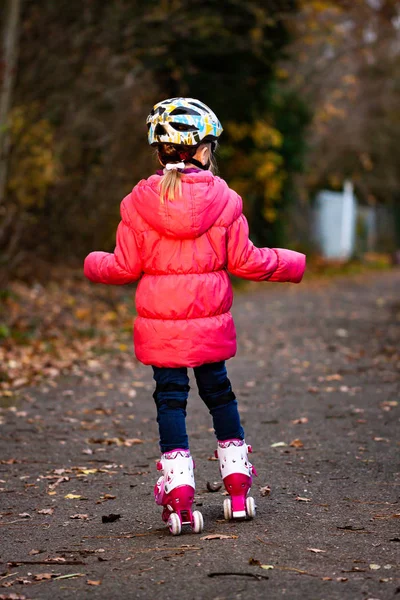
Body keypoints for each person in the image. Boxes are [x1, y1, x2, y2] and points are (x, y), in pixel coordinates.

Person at [84, 97, 306, 535]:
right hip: (209, 323)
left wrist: (94, 262)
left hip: (160, 326)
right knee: (219, 394)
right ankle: (238, 488)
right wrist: (291, 262)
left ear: (160, 151)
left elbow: (124, 267)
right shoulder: (225, 199)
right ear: (204, 150)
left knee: (170, 400)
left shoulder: (137, 203)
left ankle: (180, 496)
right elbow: (246, 261)